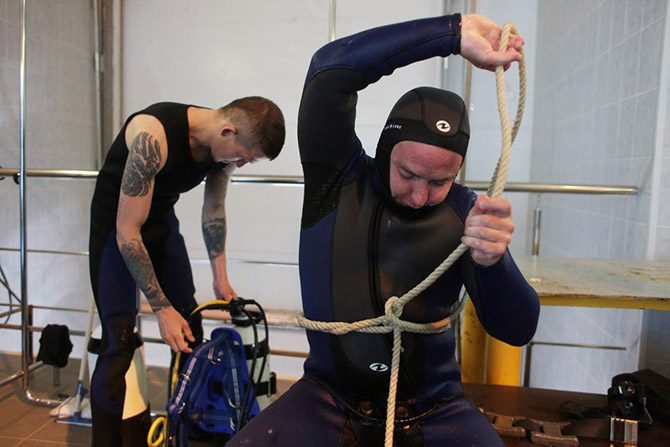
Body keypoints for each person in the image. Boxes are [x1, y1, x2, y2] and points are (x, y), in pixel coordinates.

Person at [228, 13, 540, 447]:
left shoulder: (467, 215)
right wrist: (451, 34)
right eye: (408, 173)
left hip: (435, 407)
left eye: (440, 181)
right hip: (327, 397)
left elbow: (518, 329)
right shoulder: (336, 180)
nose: (420, 195)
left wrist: (493, 262)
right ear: (386, 149)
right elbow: (329, 70)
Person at [88, 98, 285, 446]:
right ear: (228, 131)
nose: (240, 164)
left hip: (160, 225)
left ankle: (182, 432)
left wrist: (220, 277)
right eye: (243, 156)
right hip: (116, 232)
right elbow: (127, 232)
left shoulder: (221, 149)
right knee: (118, 343)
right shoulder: (152, 136)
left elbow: (214, 210)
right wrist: (161, 308)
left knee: (189, 330)